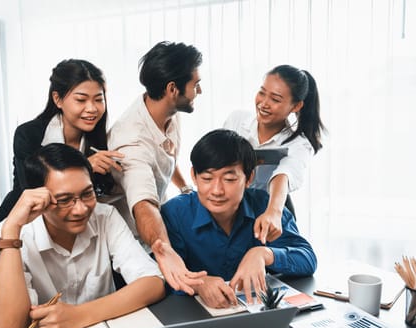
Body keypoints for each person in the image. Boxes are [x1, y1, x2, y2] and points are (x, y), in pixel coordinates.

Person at [0, 143, 164, 328]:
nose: (80, 209)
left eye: (87, 193)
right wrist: (11, 230)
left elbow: (153, 282)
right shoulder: (9, 235)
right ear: (38, 198)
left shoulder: (105, 217)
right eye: (64, 200)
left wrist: (79, 315)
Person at [161, 129, 317, 308]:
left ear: (249, 178)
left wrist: (264, 254)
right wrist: (199, 284)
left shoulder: (263, 205)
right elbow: (163, 275)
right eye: (207, 178)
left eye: (229, 179)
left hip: (254, 314)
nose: (217, 190)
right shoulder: (174, 213)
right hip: (194, 317)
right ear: (194, 176)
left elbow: (307, 259)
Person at [108, 41, 206, 294]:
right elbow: (143, 204)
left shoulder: (170, 110)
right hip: (129, 241)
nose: (200, 90)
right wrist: (165, 249)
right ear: (173, 89)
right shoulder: (131, 141)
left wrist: (185, 187)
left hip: (154, 231)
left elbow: (164, 155)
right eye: (195, 84)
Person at [0, 59, 123, 227]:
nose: (92, 108)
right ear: (57, 99)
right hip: (19, 225)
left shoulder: (101, 140)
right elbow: (35, 191)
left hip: (67, 229)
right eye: (81, 100)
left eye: (98, 99)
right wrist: (85, 167)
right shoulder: (28, 134)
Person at [224, 64, 325, 244]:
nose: (264, 103)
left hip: (267, 212)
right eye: (262, 93)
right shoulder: (237, 120)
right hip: (228, 208)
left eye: (276, 99)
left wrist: (273, 212)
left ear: (296, 106)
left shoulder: (299, 144)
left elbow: (284, 174)